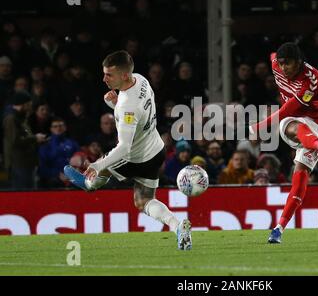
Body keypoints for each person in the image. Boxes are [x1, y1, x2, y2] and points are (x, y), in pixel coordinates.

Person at [63, 50, 192, 250]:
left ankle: (89, 184)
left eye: (109, 75)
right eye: (104, 73)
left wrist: (97, 164)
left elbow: (124, 147)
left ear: (124, 75)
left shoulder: (127, 108)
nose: (104, 78)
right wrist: (115, 104)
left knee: (106, 165)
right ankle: (177, 226)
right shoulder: (141, 80)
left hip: (134, 158)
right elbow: (136, 113)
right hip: (156, 150)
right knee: (145, 201)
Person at [250, 42, 318, 244]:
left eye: (287, 64)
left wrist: (259, 126)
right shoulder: (276, 64)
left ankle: (278, 229)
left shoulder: (312, 79)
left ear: (299, 62)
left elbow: (288, 108)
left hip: (316, 125)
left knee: (299, 180)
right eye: (281, 64)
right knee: (290, 126)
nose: (283, 68)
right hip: (296, 125)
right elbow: (273, 54)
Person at [3, 91, 48, 189]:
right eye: (28, 105)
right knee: (22, 195)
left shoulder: (21, 118)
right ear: (22, 104)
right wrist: (35, 138)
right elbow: (14, 141)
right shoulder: (11, 119)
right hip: (19, 165)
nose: (30, 107)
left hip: (26, 164)